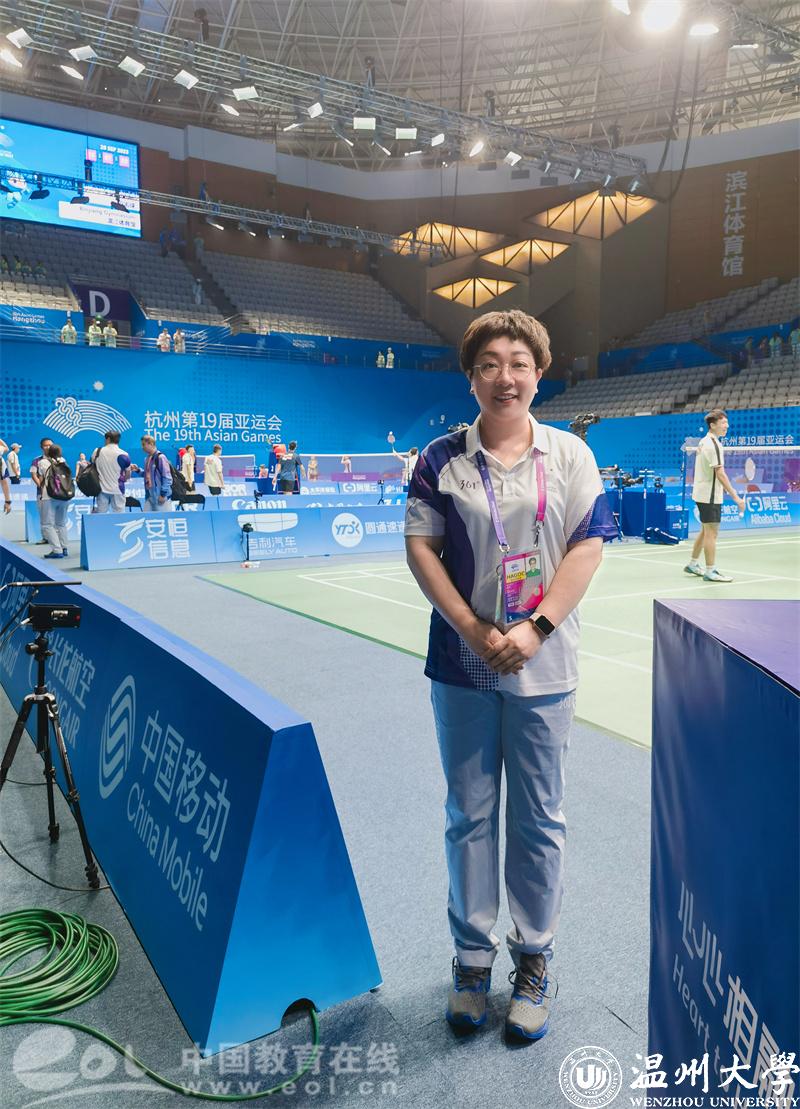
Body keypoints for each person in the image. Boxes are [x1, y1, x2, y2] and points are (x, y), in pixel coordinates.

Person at [404, 309, 616, 1041]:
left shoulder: (570, 455)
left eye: (519, 362)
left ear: (539, 372)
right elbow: (421, 547)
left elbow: (588, 545)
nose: (505, 376)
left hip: (544, 662)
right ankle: (471, 960)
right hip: (462, 662)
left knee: (539, 816)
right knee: (469, 811)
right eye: (490, 363)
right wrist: (474, 627)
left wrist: (537, 627)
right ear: (471, 376)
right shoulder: (440, 458)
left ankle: (533, 958)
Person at [684, 409, 746, 583]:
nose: (727, 426)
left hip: (701, 493)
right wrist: (736, 497)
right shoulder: (714, 444)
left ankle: (693, 564)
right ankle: (710, 571)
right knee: (712, 533)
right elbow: (721, 474)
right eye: (723, 423)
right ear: (713, 425)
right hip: (709, 496)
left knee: (705, 531)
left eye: (727, 422)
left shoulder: (704, 441)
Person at [37, 443, 71, 558]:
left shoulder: (42, 462)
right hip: (64, 495)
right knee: (61, 523)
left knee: (47, 524)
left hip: (49, 496)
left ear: (48, 452)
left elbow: (41, 479)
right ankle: (64, 548)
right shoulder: (64, 461)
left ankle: (57, 550)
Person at [93, 431, 132, 513]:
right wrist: (124, 479)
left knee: (101, 516)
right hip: (118, 489)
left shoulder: (97, 451)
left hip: (101, 489)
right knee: (120, 516)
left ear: (108, 439)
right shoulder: (124, 454)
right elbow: (128, 475)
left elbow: (93, 465)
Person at [30, 436, 53, 543]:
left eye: (50, 445)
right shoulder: (37, 460)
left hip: (57, 494)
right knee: (44, 516)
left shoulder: (59, 459)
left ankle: (56, 538)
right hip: (42, 494)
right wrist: (40, 485)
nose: (48, 447)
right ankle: (45, 538)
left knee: (56, 517)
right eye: (45, 445)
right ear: (41, 447)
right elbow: (33, 474)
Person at [140, 436, 173, 510]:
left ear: (151, 444)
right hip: (149, 496)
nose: (142, 447)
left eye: (144, 444)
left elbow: (167, 478)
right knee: (145, 516)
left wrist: (163, 494)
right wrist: (138, 470)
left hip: (160, 497)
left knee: (163, 517)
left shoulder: (161, 457)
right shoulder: (147, 459)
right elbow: (148, 475)